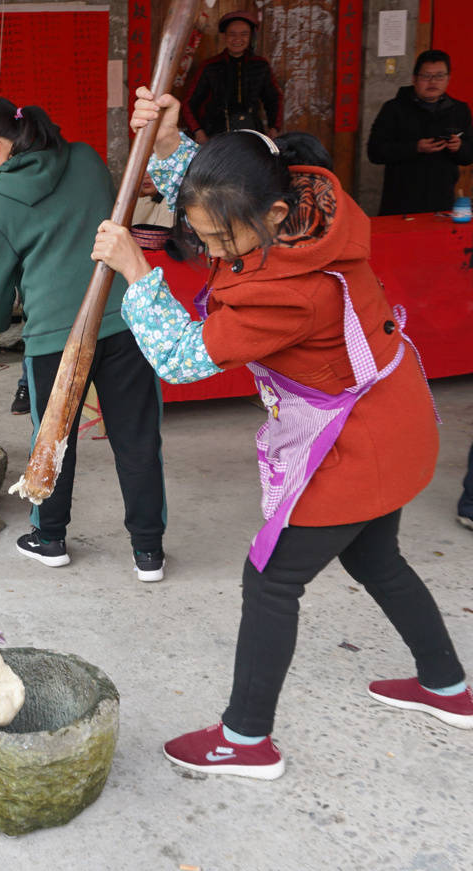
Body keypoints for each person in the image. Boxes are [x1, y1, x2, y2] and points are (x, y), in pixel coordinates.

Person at [89, 86, 472, 780]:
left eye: (217, 241)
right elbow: (221, 198)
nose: (209, 249)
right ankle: (448, 687)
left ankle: (245, 739)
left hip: (358, 444)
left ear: (268, 215)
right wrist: (178, 145)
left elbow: (181, 358)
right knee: (376, 558)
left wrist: (137, 272)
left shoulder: (287, 288)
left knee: (268, 578)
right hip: (395, 417)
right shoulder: (307, 201)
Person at [0, 97, 167, 581]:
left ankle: (50, 538)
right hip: (123, 319)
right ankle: (148, 552)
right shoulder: (86, 158)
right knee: (137, 439)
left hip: (56, 336)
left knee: (52, 438)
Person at [367, 49, 473, 215]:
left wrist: (458, 147)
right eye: (426, 76)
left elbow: (468, 157)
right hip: (401, 200)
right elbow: (374, 152)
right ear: (414, 79)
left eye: (439, 76)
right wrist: (415, 148)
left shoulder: (459, 110)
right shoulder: (394, 109)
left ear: (448, 79)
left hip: (442, 199)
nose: (433, 82)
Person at [182, 10, 282, 143]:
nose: (237, 39)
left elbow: (274, 99)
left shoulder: (260, 65)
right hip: (216, 135)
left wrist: (274, 128)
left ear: (251, 36)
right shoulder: (210, 66)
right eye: (232, 34)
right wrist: (198, 131)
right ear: (224, 36)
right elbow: (189, 103)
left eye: (244, 34)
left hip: (252, 134)